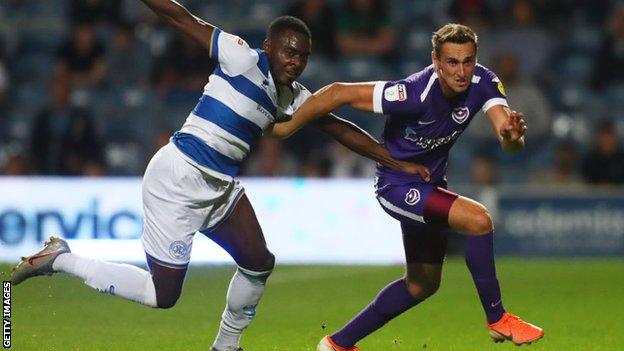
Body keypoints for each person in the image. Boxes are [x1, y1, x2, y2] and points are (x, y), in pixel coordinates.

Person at [11, 2, 427, 351]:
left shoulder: (294, 97)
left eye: (302, 56)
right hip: (177, 178)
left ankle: (226, 346)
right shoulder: (241, 57)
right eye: (288, 52)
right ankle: (61, 259)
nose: (295, 62)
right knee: (163, 296)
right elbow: (181, 18)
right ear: (269, 47)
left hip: (217, 187)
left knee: (259, 262)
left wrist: (391, 159)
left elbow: (336, 126)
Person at [271, 23, 544, 350]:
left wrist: (513, 138)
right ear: (436, 61)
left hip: (430, 185)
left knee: (422, 285)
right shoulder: (412, 93)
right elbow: (338, 92)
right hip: (397, 186)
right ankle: (498, 320)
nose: (461, 71)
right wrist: (288, 126)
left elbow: (508, 136)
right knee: (479, 220)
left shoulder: (484, 82)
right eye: (452, 62)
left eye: (468, 61)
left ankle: (336, 344)